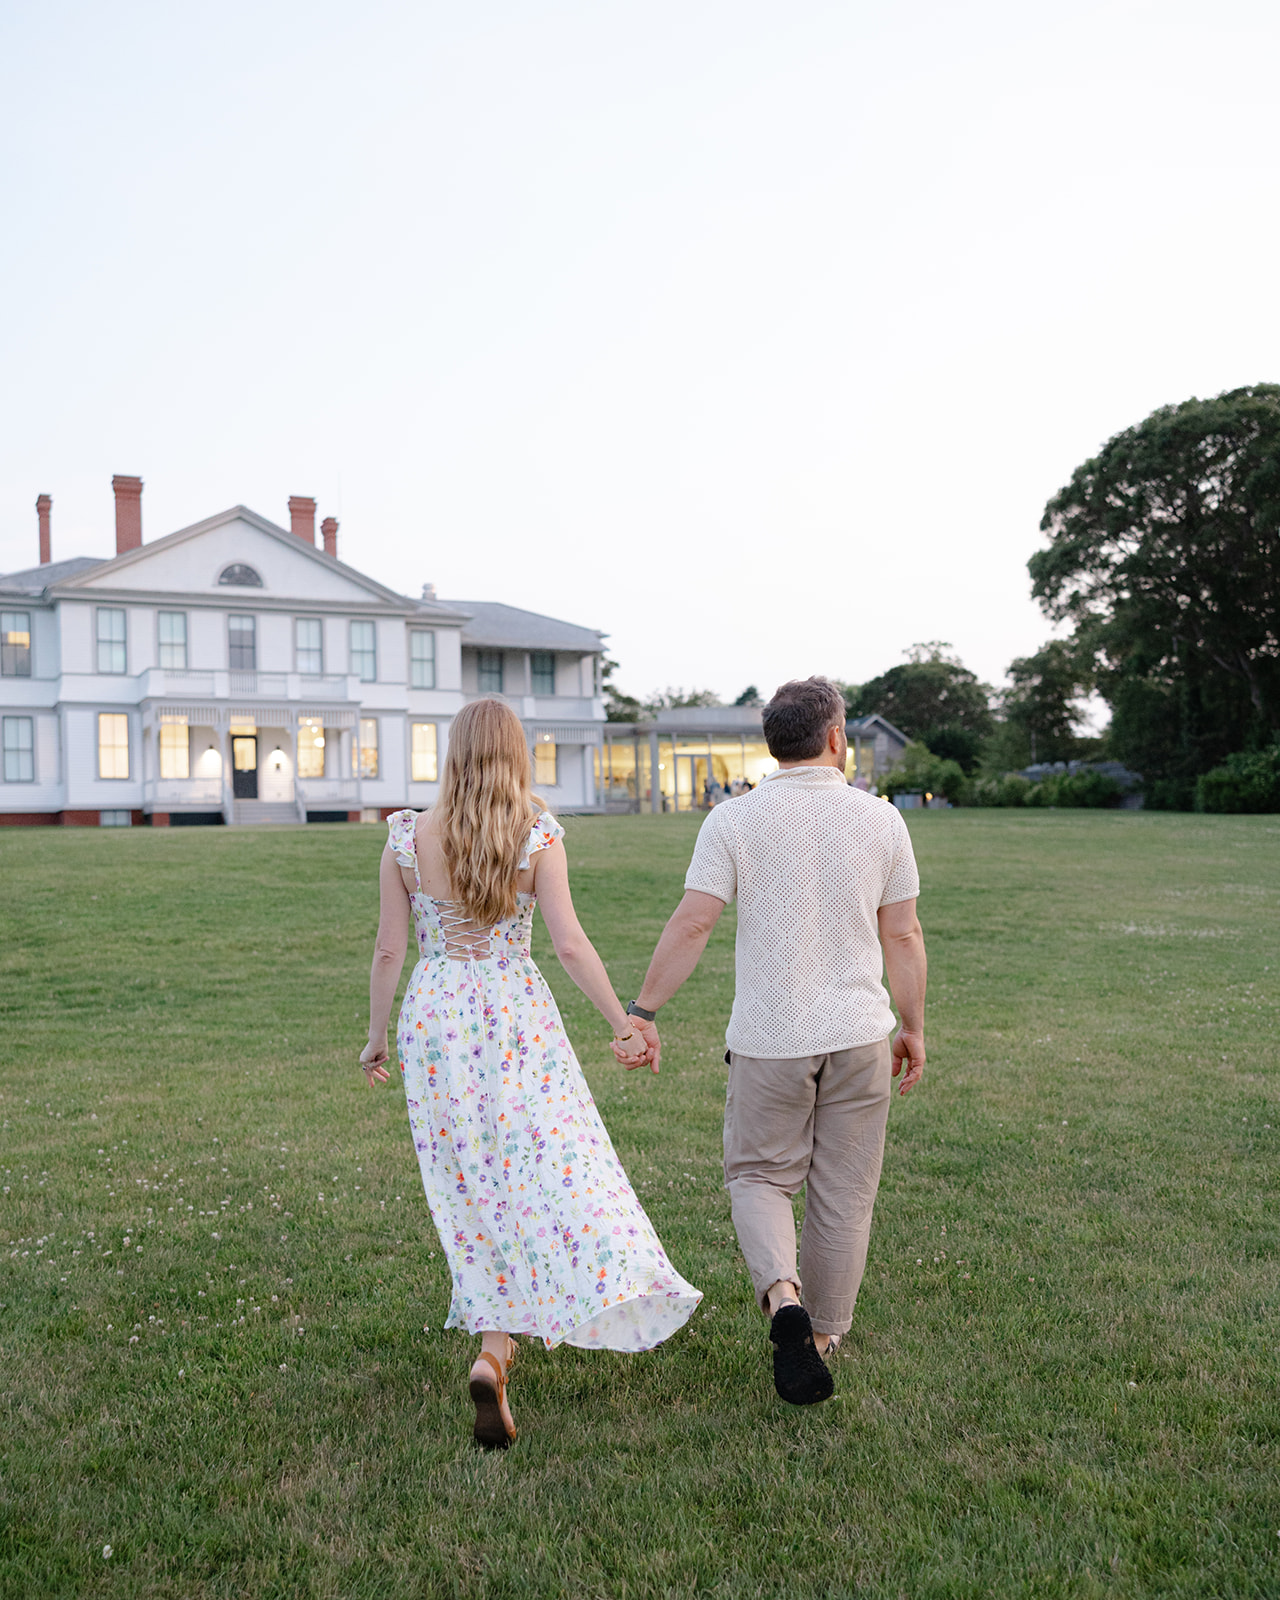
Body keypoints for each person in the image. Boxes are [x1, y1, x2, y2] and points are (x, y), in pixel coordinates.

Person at [359, 698, 700, 1448]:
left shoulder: (407, 836)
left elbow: (389, 949)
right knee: (549, 1158)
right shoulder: (536, 836)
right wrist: (623, 1025)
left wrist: (377, 1038)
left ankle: (495, 1345)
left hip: (436, 1015)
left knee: (470, 1179)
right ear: (517, 754)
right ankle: (532, 1318)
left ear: (454, 753)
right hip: (514, 1011)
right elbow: (570, 944)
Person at [624, 676, 926, 1406]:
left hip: (769, 1036)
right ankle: (820, 1338)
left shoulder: (732, 820)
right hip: (859, 1034)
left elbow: (694, 922)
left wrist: (644, 1009)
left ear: (773, 744)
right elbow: (903, 933)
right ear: (835, 738)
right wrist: (913, 1025)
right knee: (844, 1193)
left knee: (759, 1177)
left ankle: (783, 1298)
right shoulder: (881, 820)